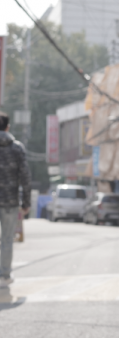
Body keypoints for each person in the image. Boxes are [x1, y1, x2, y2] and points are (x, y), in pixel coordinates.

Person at [0, 111, 31, 287]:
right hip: (10, 202)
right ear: (8, 127)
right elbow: (25, 177)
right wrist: (26, 203)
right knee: (6, 239)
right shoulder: (17, 148)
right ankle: (4, 275)